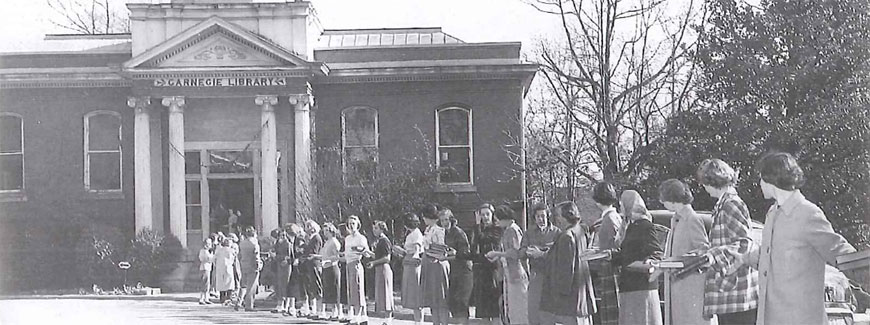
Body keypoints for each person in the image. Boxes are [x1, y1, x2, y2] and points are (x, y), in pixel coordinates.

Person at [749, 152, 856, 325]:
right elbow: (768, 260)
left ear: (771, 179)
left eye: (761, 178)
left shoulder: (807, 213)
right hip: (772, 317)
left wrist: (862, 268)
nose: (760, 184)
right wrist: (743, 256)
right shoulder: (772, 214)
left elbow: (839, 251)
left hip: (800, 318)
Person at [696, 158, 759, 324]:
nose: (704, 188)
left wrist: (713, 255)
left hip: (738, 294)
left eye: (704, 183)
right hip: (730, 294)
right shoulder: (722, 204)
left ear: (713, 180)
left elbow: (744, 242)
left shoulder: (731, 204)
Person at [657, 179, 710, 325]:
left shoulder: (692, 219)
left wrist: (678, 261)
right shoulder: (676, 219)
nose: (662, 203)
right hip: (678, 285)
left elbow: (704, 250)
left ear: (672, 199)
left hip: (691, 286)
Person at [611, 190, 663, 325]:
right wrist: (610, 256)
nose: (620, 207)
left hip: (642, 287)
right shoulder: (631, 226)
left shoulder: (645, 225)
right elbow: (629, 254)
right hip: (630, 286)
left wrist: (646, 263)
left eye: (622, 203)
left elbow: (656, 253)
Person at [540, 202, 596, 325]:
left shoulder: (566, 236)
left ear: (567, 216)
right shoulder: (580, 230)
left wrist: (558, 297)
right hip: (581, 293)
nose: (557, 219)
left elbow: (566, 270)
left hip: (570, 300)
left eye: (559, 216)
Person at [486, 205, 529, 325]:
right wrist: (498, 256)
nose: (496, 222)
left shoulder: (512, 230)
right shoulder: (509, 229)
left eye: (498, 219)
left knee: (518, 308)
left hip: (516, 273)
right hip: (509, 272)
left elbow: (515, 253)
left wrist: (497, 253)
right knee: (511, 308)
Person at [587, 182, 622, 325]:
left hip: (610, 268)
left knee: (612, 314)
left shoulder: (608, 219)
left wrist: (596, 254)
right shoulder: (615, 217)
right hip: (612, 267)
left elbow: (614, 246)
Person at [520, 203, 560, 325]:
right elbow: (521, 253)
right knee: (534, 309)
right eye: (538, 217)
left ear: (548, 216)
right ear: (534, 218)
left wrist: (542, 252)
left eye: (543, 216)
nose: (541, 219)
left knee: (550, 311)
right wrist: (526, 269)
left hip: (552, 276)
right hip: (536, 275)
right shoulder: (529, 233)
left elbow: (560, 254)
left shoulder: (557, 232)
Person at [471, 203, 502, 324]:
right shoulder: (477, 228)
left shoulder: (497, 228)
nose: (485, 217)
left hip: (494, 269)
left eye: (487, 214)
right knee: (483, 309)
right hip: (481, 270)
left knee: (495, 308)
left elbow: (484, 239)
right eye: (482, 215)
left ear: (492, 214)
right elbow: (474, 245)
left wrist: (478, 226)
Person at [441, 208, 473, 324]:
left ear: (451, 219)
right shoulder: (445, 233)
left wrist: (447, 256)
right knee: (452, 302)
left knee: (461, 302)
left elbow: (464, 253)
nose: (444, 223)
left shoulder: (459, 233)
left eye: (446, 220)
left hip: (464, 271)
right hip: (453, 270)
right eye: (442, 220)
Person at [421, 204, 451, 325]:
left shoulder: (439, 230)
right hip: (429, 265)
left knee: (441, 298)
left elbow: (441, 249)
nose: (423, 219)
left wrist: (429, 251)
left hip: (438, 264)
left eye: (425, 217)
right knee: (432, 298)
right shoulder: (427, 230)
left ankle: (443, 322)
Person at [393, 212, 425, 324]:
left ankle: (419, 322)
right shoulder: (411, 234)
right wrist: (401, 251)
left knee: (416, 295)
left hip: (413, 265)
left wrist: (414, 256)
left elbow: (417, 248)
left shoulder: (416, 234)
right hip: (408, 263)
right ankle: (417, 321)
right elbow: (409, 250)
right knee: (412, 295)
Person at [344, 215, 370, 324]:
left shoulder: (361, 238)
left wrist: (359, 250)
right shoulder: (347, 238)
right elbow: (346, 253)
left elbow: (367, 253)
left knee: (358, 290)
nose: (351, 226)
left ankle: (357, 316)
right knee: (351, 290)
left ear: (358, 225)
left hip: (356, 264)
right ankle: (364, 317)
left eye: (353, 224)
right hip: (348, 264)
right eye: (349, 224)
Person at [367, 220, 394, 322]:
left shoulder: (385, 241)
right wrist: (368, 253)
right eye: (374, 228)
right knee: (381, 293)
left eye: (376, 228)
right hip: (379, 268)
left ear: (382, 229)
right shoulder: (379, 240)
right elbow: (378, 256)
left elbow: (387, 258)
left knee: (386, 292)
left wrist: (374, 263)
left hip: (384, 268)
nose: (374, 230)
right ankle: (386, 319)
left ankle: (388, 319)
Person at [318, 222, 345, 321]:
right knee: (329, 290)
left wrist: (328, 260)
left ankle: (340, 312)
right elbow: (323, 254)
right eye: (324, 230)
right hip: (326, 268)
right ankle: (334, 312)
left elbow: (337, 256)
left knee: (336, 290)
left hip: (333, 268)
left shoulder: (334, 242)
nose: (324, 233)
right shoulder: (327, 242)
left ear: (331, 231)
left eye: (326, 230)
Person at [301, 219, 324, 320]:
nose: (308, 228)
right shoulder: (310, 238)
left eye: (309, 226)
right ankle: (313, 309)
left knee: (317, 286)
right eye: (307, 226)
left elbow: (314, 251)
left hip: (315, 264)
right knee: (311, 287)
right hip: (309, 264)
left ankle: (320, 310)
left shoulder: (317, 238)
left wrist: (306, 253)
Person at [238, 226, 262, 312]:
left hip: (244, 264)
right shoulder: (254, 244)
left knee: (243, 284)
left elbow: (239, 254)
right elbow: (256, 256)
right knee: (251, 287)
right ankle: (249, 305)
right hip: (252, 266)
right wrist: (259, 265)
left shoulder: (242, 243)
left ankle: (239, 301)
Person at [286, 223, 307, 317]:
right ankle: (292, 307)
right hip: (294, 265)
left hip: (300, 266)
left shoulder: (299, 239)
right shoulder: (291, 240)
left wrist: (297, 259)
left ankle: (301, 307)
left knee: (300, 286)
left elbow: (301, 251)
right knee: (292, 285)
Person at [271, 227, 293, 314]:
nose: (282, 237)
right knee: (279, 285)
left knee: (284, 285)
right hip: (278, 265)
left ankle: (285, 305)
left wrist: (275, 256)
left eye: (284, 235)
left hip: (285, 266)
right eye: (280, 235)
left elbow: (288, 257)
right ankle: (280, 304)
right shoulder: (277, 243)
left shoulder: (287, 244)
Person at [214, 238, 238, 303]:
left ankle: (222, 297)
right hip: (228, 267)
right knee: (229, 282)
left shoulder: (219, 250)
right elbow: (233, 258)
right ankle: (229, 297)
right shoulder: (231, 250)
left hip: (220, 268)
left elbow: (214, 259)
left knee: (221, 282)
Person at [198, 238, 216, 305]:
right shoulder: (204, 251)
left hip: (207, 268)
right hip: (205, 268)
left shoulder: (207, 251)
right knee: (204, 283)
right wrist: (212, 256)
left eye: (210, 243)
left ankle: (206, 298)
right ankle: (202, 299)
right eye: (208, 244)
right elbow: (207, 259)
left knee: (207, 284)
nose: (209, 245)